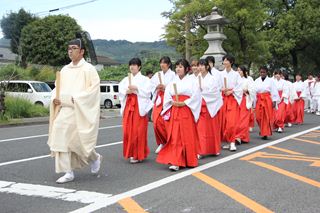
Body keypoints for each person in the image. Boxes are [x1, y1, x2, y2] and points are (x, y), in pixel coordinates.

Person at [48, 38, 102, 184]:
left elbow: (93, 89)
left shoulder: (89, 69)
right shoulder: (65, 70)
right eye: (69, 48)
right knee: (60, 137)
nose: (70, 51)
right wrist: (55, 98)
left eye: (73, 48)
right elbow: (56, 88)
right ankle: (68, 172)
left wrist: (76, 99)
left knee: (79, 142)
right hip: (64, 110)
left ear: (82, 51)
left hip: (79, 110)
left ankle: (94, 158)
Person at [156, 59, 201, 171]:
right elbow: (167, 96)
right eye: (177, 67)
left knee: (187, 135)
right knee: (175, 136)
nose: (178, 69)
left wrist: (185, 102)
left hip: (186, 109)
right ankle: (176, 161)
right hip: (175, 108)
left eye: (181, 67)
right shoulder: (172, 82)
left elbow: (196, 97)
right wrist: (171, 102)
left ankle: (189, 159)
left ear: (186, 69)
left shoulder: (192, 81)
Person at [119, 58, 153, 163]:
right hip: (129, 105)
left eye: (134, 65)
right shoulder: (125, 79)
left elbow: (148, 93)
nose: (132, 67)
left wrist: (137, 88)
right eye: (131, 65)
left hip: (139, 105)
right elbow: (121, 90)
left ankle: (138, 154)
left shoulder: (145, 79)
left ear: (139, 67)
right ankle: (131, 152)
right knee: (127, 131)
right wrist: (126, 91)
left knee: (138, 131)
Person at [196, 59, 223, 159]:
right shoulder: (196, 78)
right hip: (199, 106)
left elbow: (215, 93)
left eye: (202, 65)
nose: (200, 67)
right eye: (199, 65)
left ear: (207, 67)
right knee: (200, 130)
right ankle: (201, 150)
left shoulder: (212, 79)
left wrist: (202, 93)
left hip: (210, 106)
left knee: (211, 129)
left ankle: (214, 149)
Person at [150, 56, 176, 153]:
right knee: (156, 123)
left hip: (168, 100)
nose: (162, 65)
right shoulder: (157, 74)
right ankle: (161, 142)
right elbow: (151, 85)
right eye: (161, 63)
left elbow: (175, 87)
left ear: (168, 64)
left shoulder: (173, 75)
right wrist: (157, 87)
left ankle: (169, 142)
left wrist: (165, 87)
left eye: (164, 63)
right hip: (159, 99)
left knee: (166, 122)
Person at [220, 55, 243, 151]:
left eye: (226, 60)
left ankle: (232, 141)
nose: (224, 62)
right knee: (224, 122)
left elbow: (240, 86)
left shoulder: (236, 74)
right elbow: (217, 85)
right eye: (224, 60)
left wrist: (232, 91)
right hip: (223, 98)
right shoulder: (221, 74)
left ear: (231, 62)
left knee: (231, 122)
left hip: (232, 99)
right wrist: (222, 89)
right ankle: (228, 141)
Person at [254, 66, 279, 140]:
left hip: (267, 99)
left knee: (266, 116)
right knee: (258, 117)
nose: (262, 73)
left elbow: (274, 91)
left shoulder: (270, 81)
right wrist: (253, 101)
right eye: (261, 72)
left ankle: (265, 133)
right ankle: (262, 130)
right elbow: (254, 91)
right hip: (259, 99)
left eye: (264, 72)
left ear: (266, 72)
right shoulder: (256, 80)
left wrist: (274, 101)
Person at [235, 65, 255, 144]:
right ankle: (240, 136)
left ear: (244, 71)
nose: (238, 72)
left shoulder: (248, 79)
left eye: (240, 70)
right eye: (237, 70)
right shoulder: (235, 80)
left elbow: (252, 90)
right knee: (237, 120)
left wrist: (246, 91)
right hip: (236, 100)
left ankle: (239, 136)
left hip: (244, 100)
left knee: (243, 120)